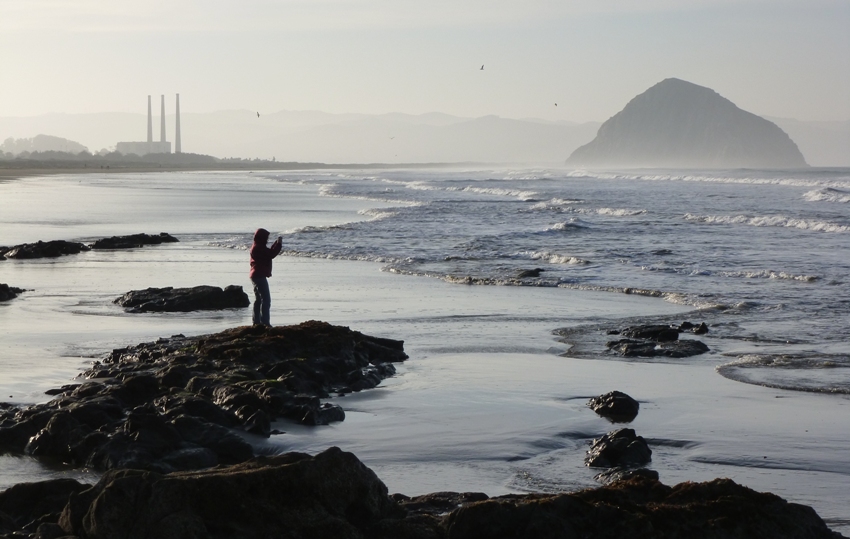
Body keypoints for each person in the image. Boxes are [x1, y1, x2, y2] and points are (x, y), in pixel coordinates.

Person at [249, 228, 282, 326]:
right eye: (266, 237)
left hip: (255, 275)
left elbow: (268, 252)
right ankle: (265, 322)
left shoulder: (257, 246)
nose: (267, 239)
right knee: (266, 299)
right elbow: (271, 254)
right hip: (259, 275)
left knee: (259, 299)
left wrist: (276, 244)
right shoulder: (258, 247)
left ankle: (257, 321)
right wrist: (279, 244)